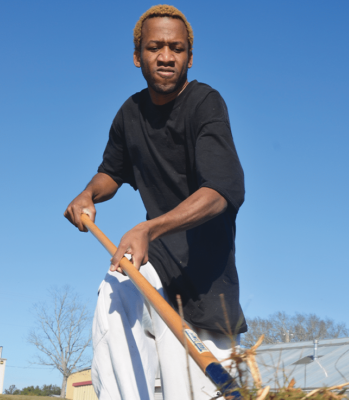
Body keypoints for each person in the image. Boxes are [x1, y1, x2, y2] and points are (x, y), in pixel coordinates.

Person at [64, 5, 246, 400]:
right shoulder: (130, 114)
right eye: (155, 47)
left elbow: (222, 191)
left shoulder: (205, 104)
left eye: (176, 48)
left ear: (189, 58)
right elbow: (113, 171)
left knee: (198, 391)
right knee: (116, 289)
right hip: (157, 262)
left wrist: (149, 227)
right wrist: (88, 193)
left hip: (206, 283)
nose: (166, 56)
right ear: (137, 56)